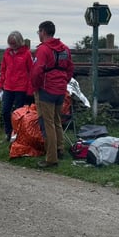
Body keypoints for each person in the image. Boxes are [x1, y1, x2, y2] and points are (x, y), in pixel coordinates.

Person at [31, 21, 73, 168]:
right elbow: (70, 68)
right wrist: (63, 82)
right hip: (60, 90)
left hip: (46, 89)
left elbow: (37, 71)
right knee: (56, 121)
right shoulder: (65, 49)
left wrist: (35, 86)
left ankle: (51, 158)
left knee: (47, 123)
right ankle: (60, 149)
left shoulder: (43, 50)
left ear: (43, 32)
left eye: (39, 32)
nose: (39, 35)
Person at [0, 31, 34, 142]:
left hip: (21, 88)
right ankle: (8, 133)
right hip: (8, 86)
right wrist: (0, 83)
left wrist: (29, 89)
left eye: (14, 43)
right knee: (5, 110)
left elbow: (31, 71)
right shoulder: (7, 53)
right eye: (10, 43)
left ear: (19, 42)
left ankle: (17, 135)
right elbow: (3, 69)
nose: (12, 46)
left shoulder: (26, 54)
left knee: (18, 113)